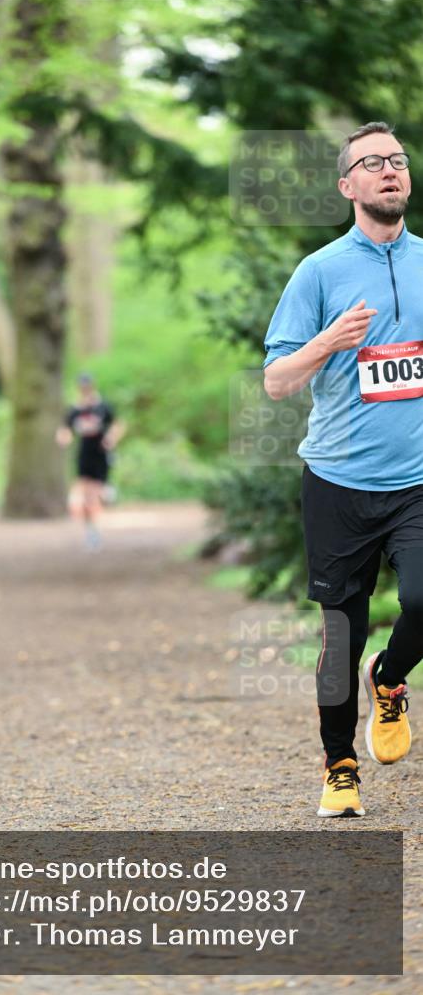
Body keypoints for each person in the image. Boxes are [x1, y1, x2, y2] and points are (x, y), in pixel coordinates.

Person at [262, 121, 423, 817]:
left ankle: (387, 682)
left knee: (420, 602)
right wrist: (328, 340)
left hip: (415, 479)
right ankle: (339, 767)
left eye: (396, 160)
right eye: (370, 163)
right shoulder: (319, 271)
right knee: (338, 635)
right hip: (336, 483)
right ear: (346, 186)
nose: (387, 170)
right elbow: (275, 381)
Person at [56, 373, 125, 549]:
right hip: (84, 454)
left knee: (96, 494)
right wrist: (64, 438)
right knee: (87, 496)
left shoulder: (103, 407)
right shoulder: (75, 410)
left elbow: (118, 424)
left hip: (101, 454)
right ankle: (91, 530)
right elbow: (65, 430)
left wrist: (111, 438)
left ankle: (96, 523)